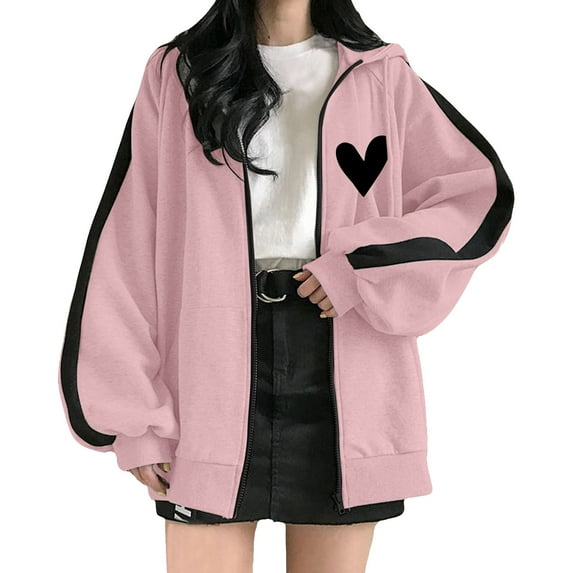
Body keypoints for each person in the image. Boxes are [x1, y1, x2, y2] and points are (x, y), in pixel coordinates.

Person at [57, 0, 514, 571]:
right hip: (207, 372)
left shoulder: (380, 72)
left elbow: (476, 197)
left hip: (344, 359)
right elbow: (127, 242)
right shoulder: (180, 72)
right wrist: (136, 417)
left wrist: (360, 267)